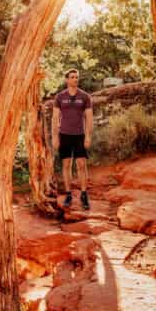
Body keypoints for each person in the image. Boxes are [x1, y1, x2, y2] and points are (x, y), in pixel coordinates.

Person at [52, 68, 93, 210]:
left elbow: (89, 118)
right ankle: (68, 194)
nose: (75, 79)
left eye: (77, 77)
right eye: (72, 77)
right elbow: (55, 118)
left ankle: (83, 194)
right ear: (67, 80)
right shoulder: (59, 97)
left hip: (79, 135)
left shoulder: (85, 96)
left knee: (82, 165)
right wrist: (55, 137)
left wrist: (88, 136)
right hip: (64, 135)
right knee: (66, 165)